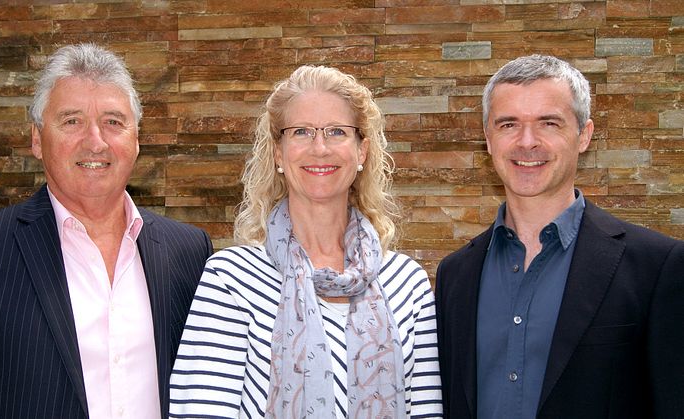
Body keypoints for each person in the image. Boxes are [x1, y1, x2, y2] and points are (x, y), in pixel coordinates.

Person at [0, 43, 213, 419]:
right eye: (72, 121)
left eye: (113, 122)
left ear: (136, 139)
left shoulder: (190, 252)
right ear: (37, 139)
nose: (95, 141)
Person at [169, 65, 442, 418]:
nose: (320, 148)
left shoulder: (407, 283)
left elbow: (427, 413)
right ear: (278, 153)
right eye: (300, 132)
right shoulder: (231, 279)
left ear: (362, 151)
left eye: (336, 132)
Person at [435, 54, 684, 419]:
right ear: (488, 140)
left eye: (549, 123)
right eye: (508, 125)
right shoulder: (455, 274)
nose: (527, 142)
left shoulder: (656, 267)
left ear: (584, 135)